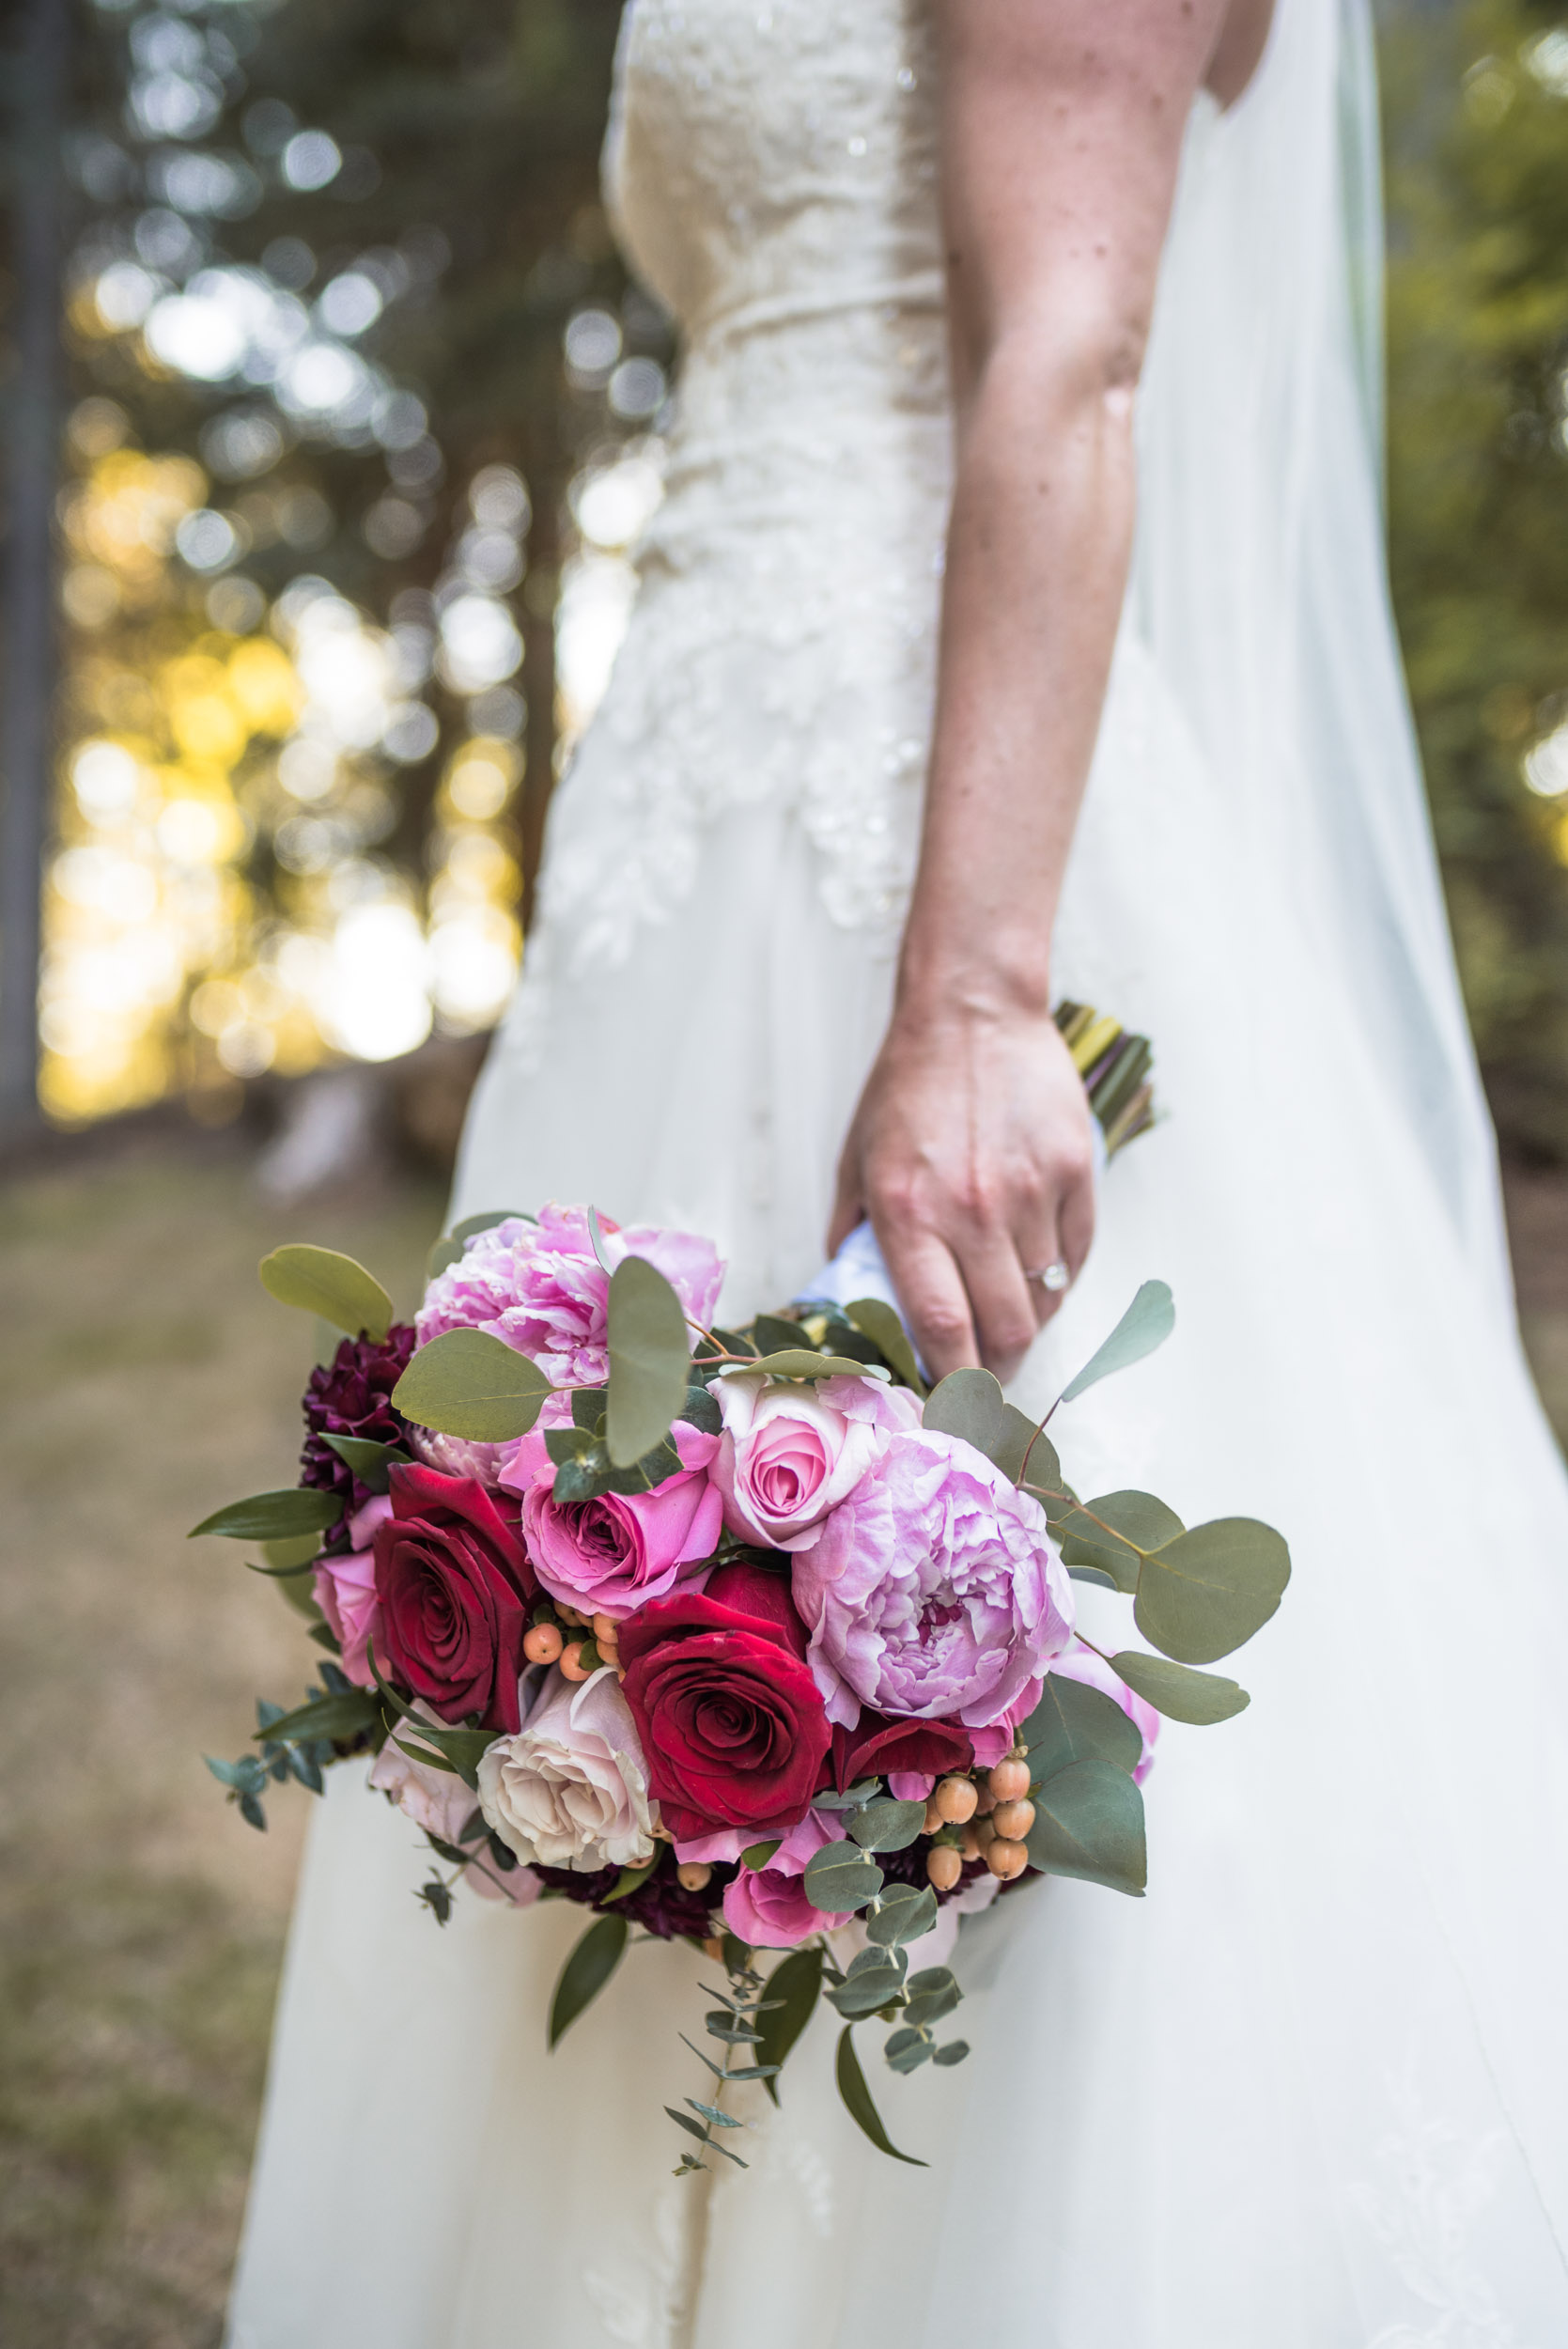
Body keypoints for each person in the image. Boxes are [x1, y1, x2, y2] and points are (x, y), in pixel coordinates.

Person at [227, 2, 1568, 2341]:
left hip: (936, 842)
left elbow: (1066, 345)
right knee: (589, 1618)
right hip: (701, 813)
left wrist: (968, 998)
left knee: (983, 1666)